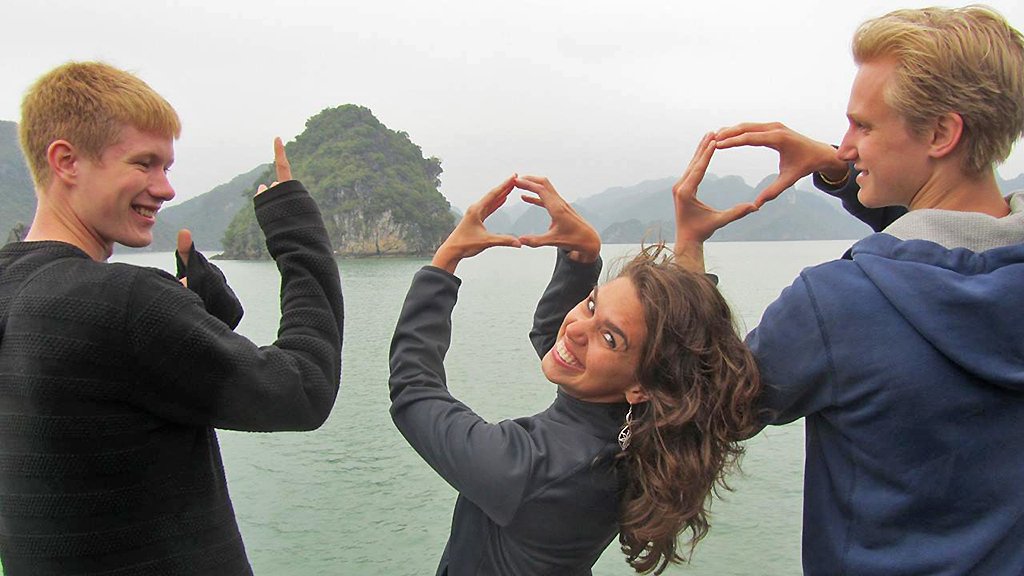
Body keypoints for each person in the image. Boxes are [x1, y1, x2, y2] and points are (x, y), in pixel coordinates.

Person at [705, 6, 1024, 574]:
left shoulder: (836, 305)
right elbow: (950, 256)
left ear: (942, 133)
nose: (844, 145)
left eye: (864, 126)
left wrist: (684, 260)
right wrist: (836, 173)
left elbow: (707, 406)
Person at [0, 62, 344, 575]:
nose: (165, 188)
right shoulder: (122, 302)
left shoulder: (19, 290)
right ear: (67, 161)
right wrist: (299, 236)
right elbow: (302, 389)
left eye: (167, 167)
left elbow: (99, 389)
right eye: (144, 163)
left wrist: (190, 314)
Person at [388, 164, 761, 575]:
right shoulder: (646, 429)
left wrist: (446, 259)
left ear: (642, 385)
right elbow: (558, 341)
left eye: (610, 338)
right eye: (591, 303)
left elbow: (413, 390)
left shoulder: (531, 470)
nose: (578, 328)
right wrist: (582, 258)